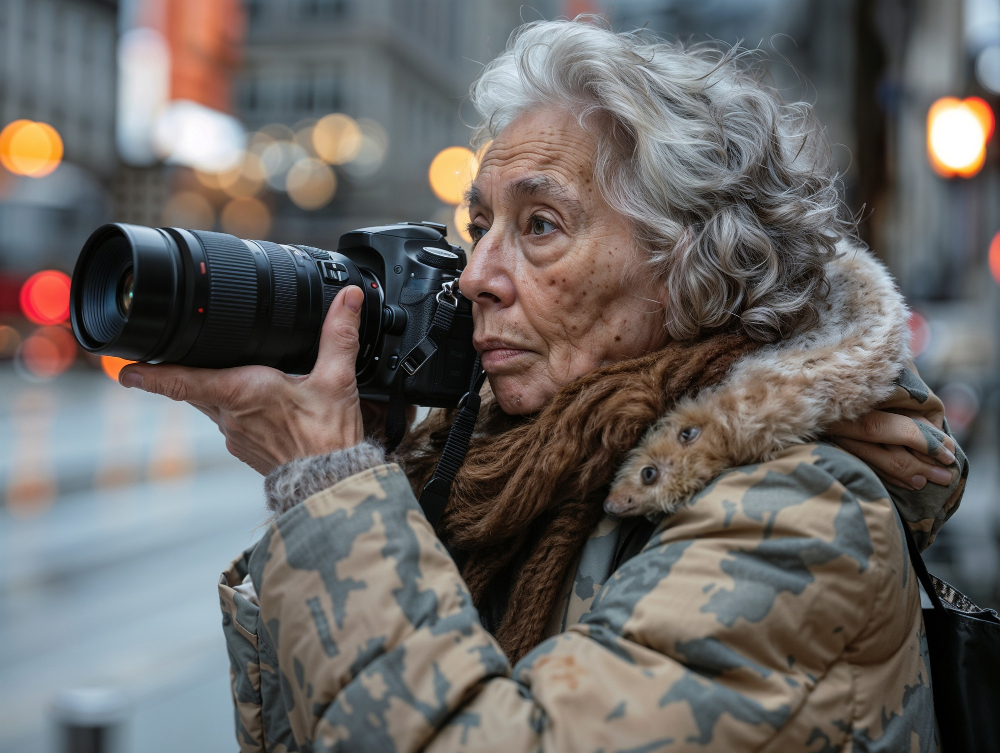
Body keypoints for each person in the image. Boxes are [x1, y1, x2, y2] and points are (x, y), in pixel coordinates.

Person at [121, 20, 967, 752]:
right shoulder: (504, 473)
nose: (474, 276)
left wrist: (330, 497)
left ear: (692, 267)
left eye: (540, 225)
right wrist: (379, 475)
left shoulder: (804, 517)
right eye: (479, 225)